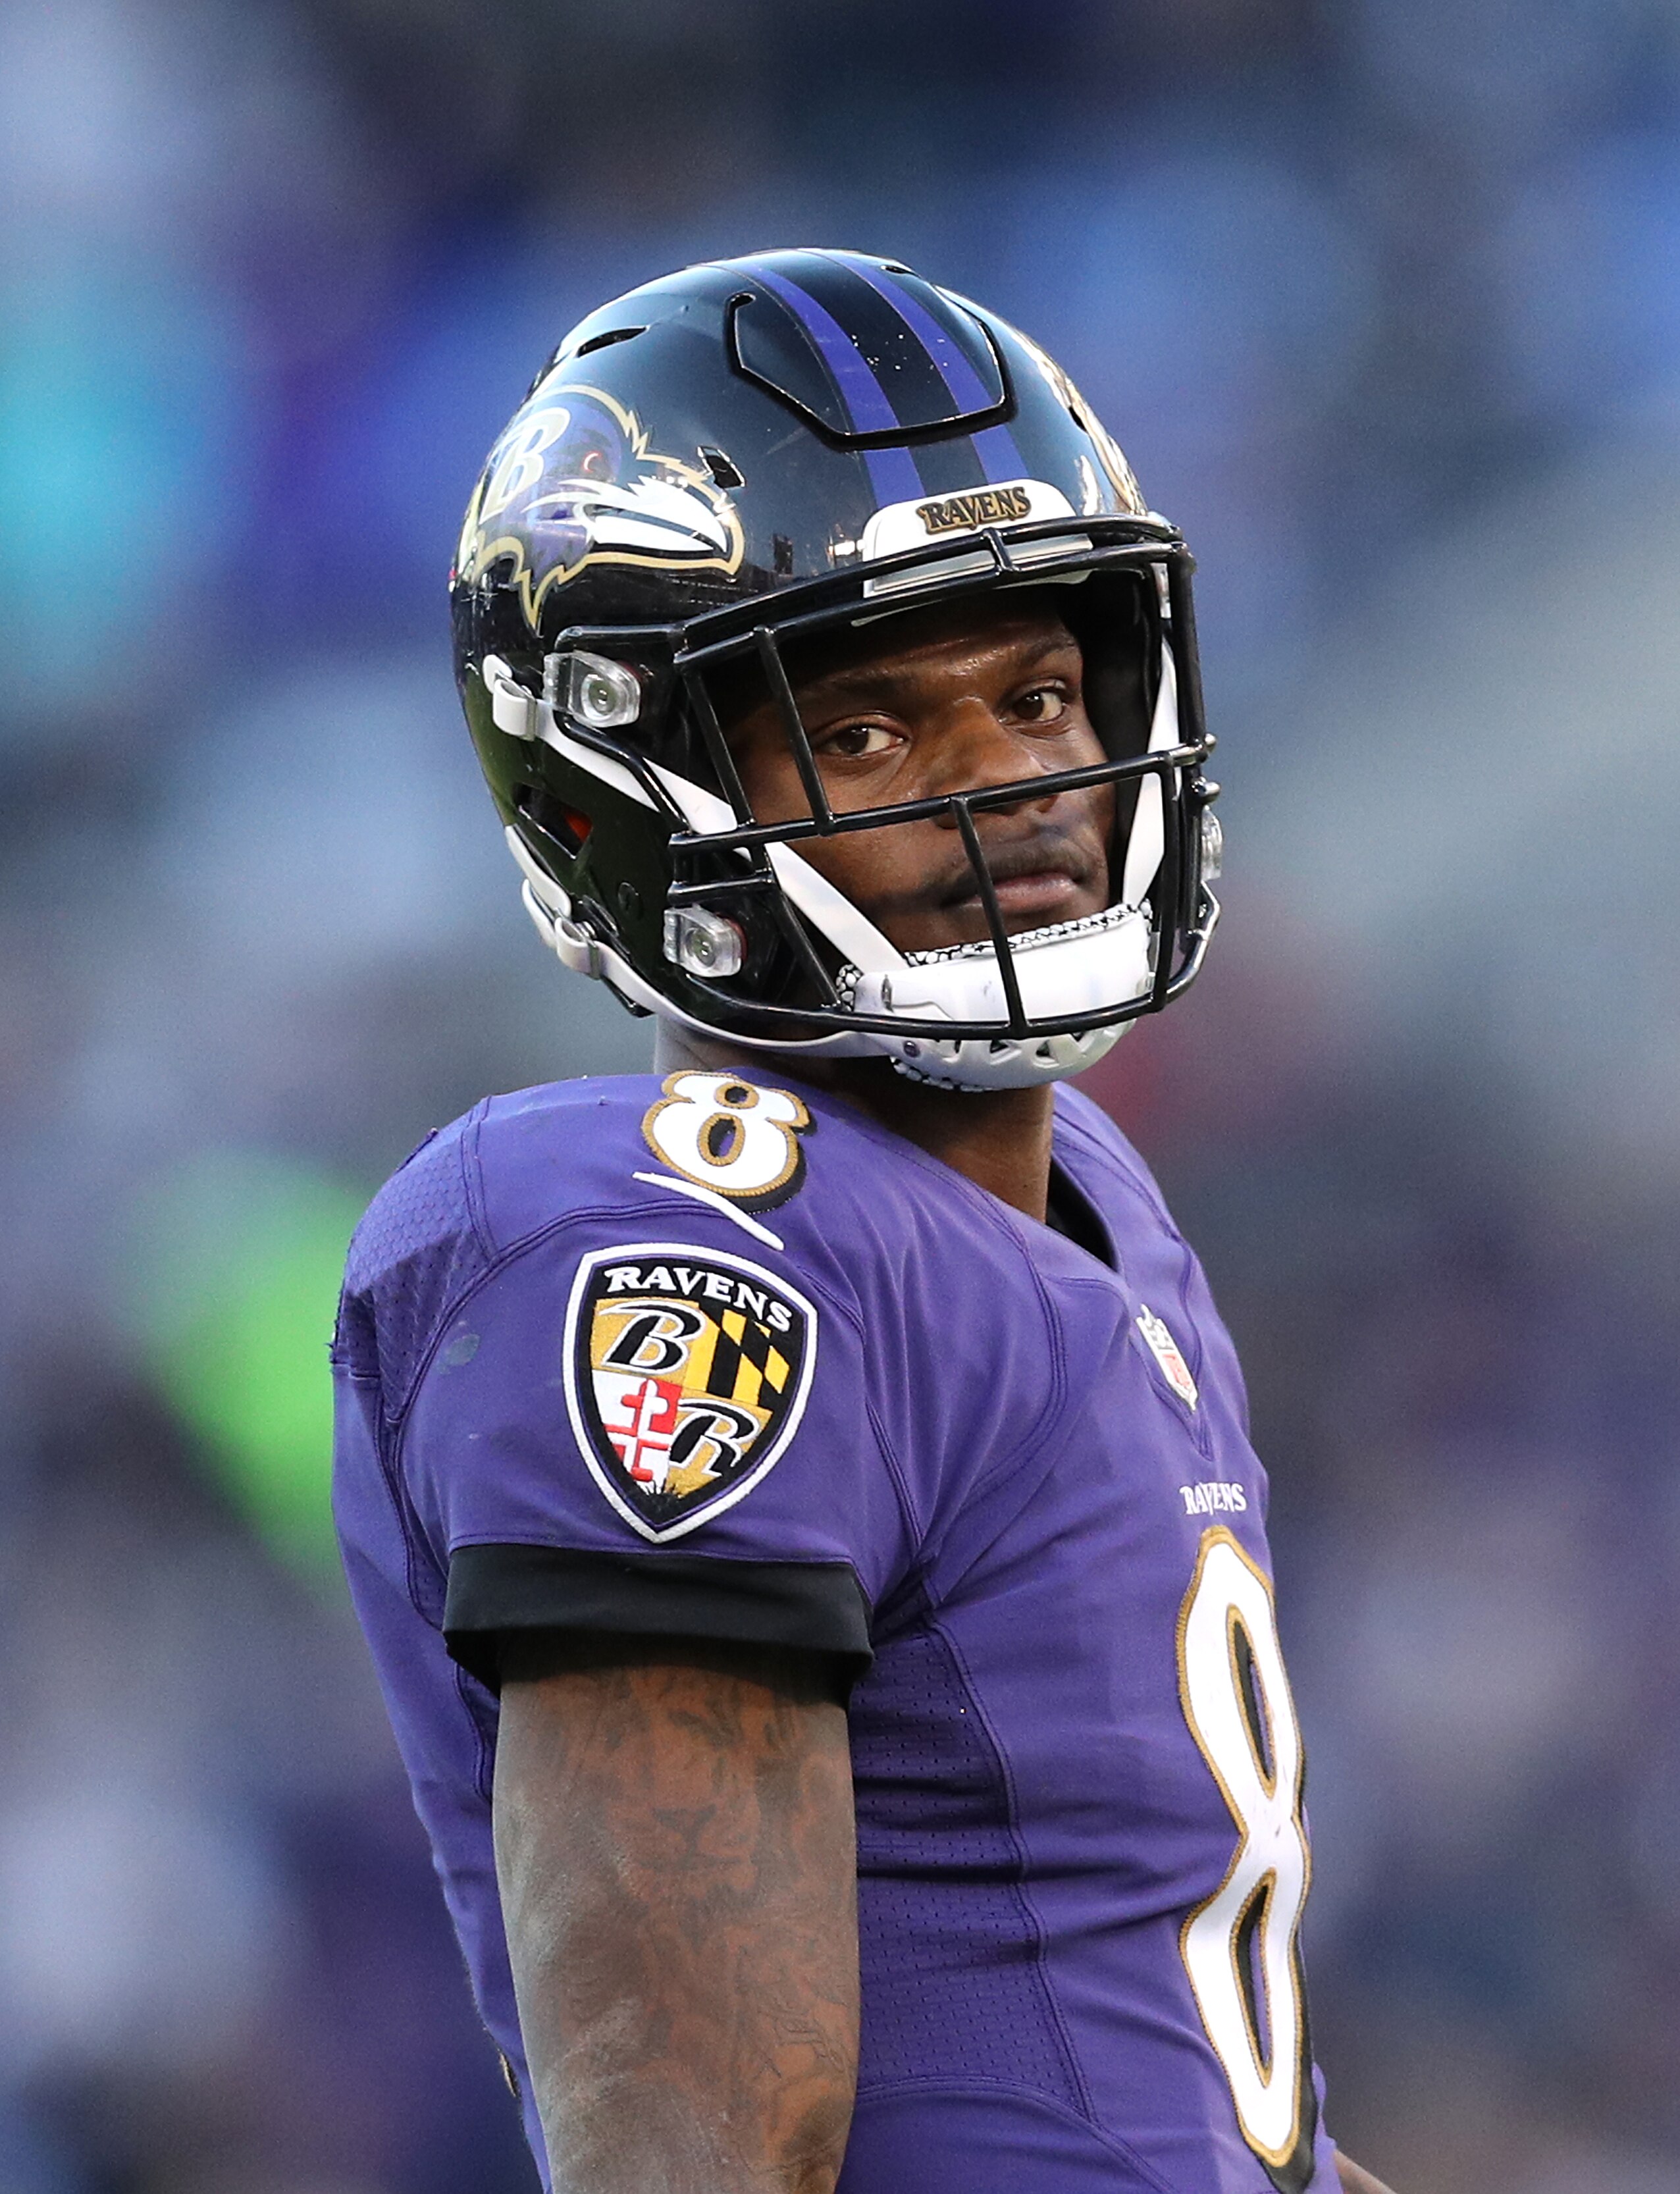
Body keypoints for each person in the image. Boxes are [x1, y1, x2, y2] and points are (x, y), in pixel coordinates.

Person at [330, 249, 1399, 2194]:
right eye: (873, 734)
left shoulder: (1094, 1205)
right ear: (627, 785)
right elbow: (694, 2154)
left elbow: (1199, 2118)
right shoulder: (671, 1240)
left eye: (1041, 692)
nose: (1017, 781)